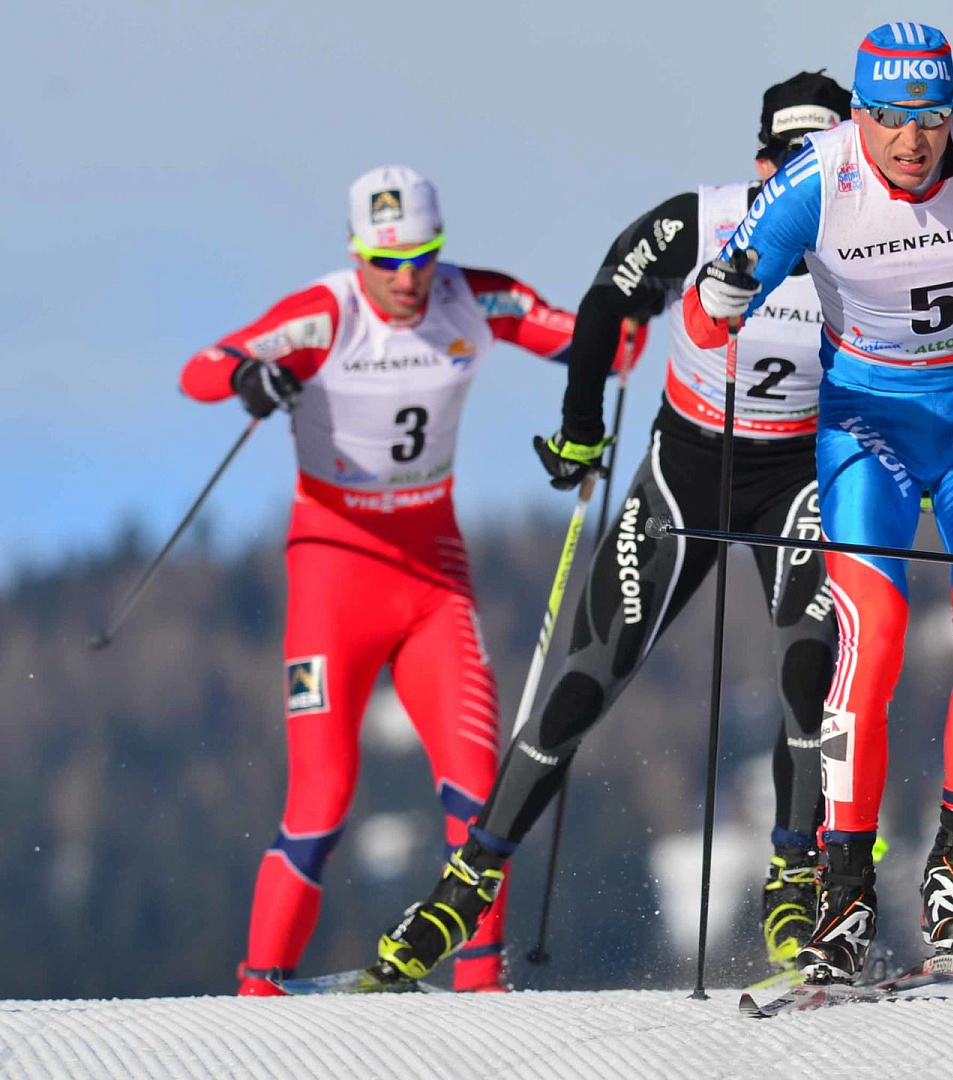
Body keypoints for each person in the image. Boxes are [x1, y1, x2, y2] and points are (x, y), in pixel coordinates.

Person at [366, 74, 852, 986]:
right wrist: (582, 424)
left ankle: (796, 878)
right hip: (689, 470)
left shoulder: (868, 242)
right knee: (589, 675)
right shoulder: (700, 219)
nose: (807, 179)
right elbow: (605, 304)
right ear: (761, 164)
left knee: (808, 670)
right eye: (792, 161)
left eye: (825, 160)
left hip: (798, 473)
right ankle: (468, 883)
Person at [684, 22, 953, 984]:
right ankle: (844, 889)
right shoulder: (815, 180)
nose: (911, 141)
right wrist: (724, 294)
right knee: (870, 633)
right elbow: (706, 318)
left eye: (928, 118)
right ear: (860, 116)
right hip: (866, 422)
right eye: (887, 119)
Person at [179, 165, 577, 995]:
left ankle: (480, 986)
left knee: (480, 794)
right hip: (335, 571)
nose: (405, 278)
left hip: (435, 576)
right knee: (320, 800)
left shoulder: (474, 297)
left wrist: (646, 289)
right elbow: (203, 369)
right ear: (357, 253)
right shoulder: (327, 312)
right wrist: (251, 377)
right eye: (385, 260)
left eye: (421, 256)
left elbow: (597, 337)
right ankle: (258, 991)